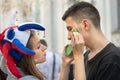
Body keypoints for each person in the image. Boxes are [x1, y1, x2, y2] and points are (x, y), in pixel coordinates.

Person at [59, 1, 120, 80]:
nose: (68, 37)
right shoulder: (85, 56)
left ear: (85, 25)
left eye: (70, 29)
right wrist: (65, 65)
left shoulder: (112, 60)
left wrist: (78, 56)